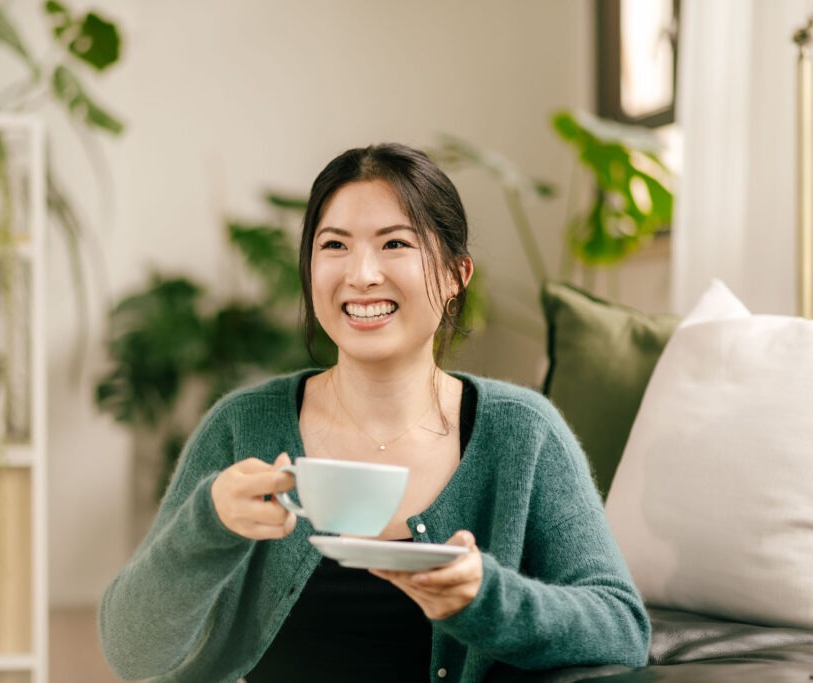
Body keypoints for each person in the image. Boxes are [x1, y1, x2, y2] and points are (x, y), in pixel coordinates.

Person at [99, 143, 650, 682]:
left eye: (394, 244)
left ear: (458, 274)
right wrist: (209, 523)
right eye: (334, 246)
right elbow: (132, 652)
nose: (361, 274)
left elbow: (621, 628)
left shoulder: (522, 433)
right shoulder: (243, 425)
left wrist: (486, 598)